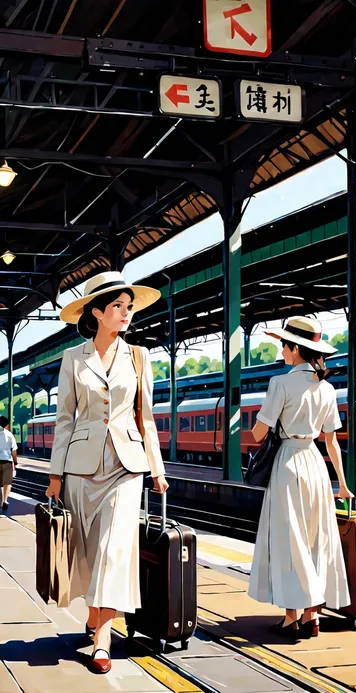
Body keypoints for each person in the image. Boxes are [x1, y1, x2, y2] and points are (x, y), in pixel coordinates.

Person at [45, 271, 168, 675]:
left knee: (115, 551)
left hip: (126, 467)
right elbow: (65, 420)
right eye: (118, 306)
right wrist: (56, 474)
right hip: (81, 469)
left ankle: (103, 639)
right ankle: (96, 612)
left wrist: (157, 467)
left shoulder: (139, 356)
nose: (126, 313)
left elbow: (146, 417)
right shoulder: (72, 359)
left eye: (129, 307)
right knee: (88, 552)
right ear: (96, 312)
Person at [248, 316, 353, 639]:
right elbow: (332, 442)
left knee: (287, 540)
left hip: (288, 465)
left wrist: (261, 422)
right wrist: (343, 485)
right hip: (316, 467)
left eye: (283, 345)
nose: (281, 351)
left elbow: (257, 435)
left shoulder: (280, 384)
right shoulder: (328, 388)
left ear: (295, 349)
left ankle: (291, 617)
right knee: (314, 540)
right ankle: (312, 616)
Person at [0, 416, 18, 513]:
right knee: (7, 482)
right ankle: (5, 500)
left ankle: (0, 501)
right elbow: (14, 451)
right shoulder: (10, 435)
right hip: (7, 461)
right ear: (6, 425)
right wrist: (15, 461)